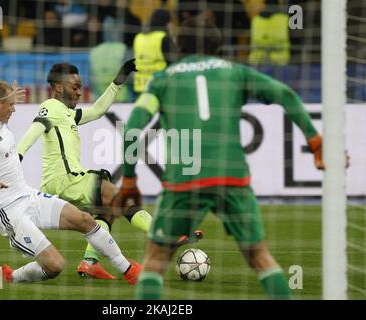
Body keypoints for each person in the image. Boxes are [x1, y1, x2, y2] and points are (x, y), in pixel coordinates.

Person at [116, 16, 342, 300]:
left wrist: (129, 178)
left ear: (178, 45)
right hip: (232, 177)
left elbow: (134, 124)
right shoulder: (236, 72)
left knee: (155, 260)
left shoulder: (163, 80)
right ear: (218, 44)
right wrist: (315, 139)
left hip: (184, 182)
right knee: (260, 256)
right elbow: (285, 94)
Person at [0, 80, 141, 285]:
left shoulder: (1, 126)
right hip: (9, 210)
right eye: (11, 104)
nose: (14, 109)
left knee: (85, 220)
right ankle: (11, 277)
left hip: (28, 196)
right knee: (55, 266)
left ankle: (129, 270)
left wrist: (6, 96)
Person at [16, 60, 157, 280]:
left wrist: (120, 77)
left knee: (105, 212)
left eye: (81, 87)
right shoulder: (51, 107)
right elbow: (34, 130)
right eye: (75, 87)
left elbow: (98, 110)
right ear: (60, 87)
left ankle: (90, 263)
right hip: (65, 179)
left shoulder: (68, 114)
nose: (80, 92)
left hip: (62, 183)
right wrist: (17, 157)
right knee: (118, 197)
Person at [133, 8, 175, 94]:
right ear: (166, 22)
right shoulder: (164, 37)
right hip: (159, 86)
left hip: (140, 86)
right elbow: (174, 63)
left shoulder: (138, 37)